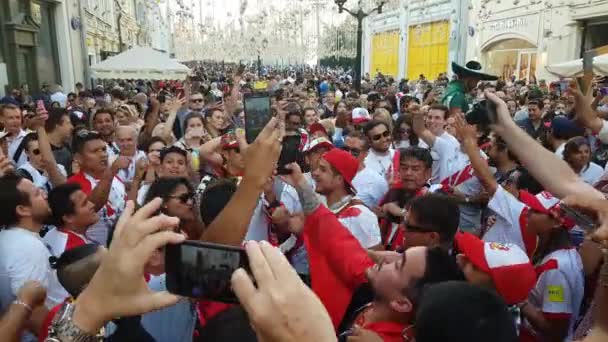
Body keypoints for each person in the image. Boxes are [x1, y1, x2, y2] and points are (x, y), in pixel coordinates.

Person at [280, 162, 463, 339]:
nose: (387, 259)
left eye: (399, 265)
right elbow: (338, 241)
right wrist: (302, 186)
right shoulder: (379, 281)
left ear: (401, 303)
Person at [0, 174, 65, 341]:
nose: (45, 195)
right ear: (23, 210)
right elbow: (34, 314)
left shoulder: (11, 237)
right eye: (37, 194)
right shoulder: (27, 248)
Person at [67, 130, 129, 245]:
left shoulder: (116, 179)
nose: (103, 154)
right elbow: (94, 206)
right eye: (95, 151)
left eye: (104, 149)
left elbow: (128, 206)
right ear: (78, 158)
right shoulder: (73, 185)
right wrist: (111, 171)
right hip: (93, 253)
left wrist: (137, 179)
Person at [312, 148, 382, 249]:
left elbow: (376, 258)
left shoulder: (360, 215)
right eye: (317, 168)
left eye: (323, 170)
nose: (315, 173)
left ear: (339, 179)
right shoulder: (323, 206)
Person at [44, 183, 99, 257]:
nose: (92, 205)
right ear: (68, 217)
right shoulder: (79, 250)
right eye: (84, 204)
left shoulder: (52, 233)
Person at [344, 131, 388, 208]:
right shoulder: (330, 172)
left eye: (355, 151)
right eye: (345, 149)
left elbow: (382, 212)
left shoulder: (376, 181)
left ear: (365, 154)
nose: (348, 153)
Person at [45, 108, 74, 175]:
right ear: (57, 125)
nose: (72, 127)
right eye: (68, 123)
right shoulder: (39, 147)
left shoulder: (67, 147)